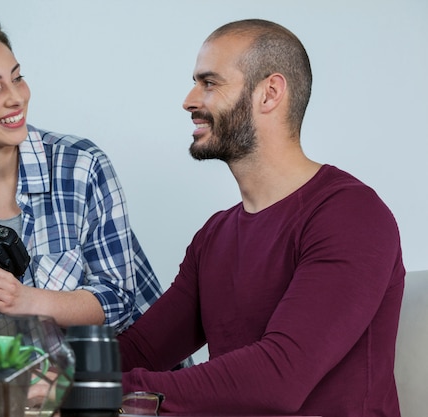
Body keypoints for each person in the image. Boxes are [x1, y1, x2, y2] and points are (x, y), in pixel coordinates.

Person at [118, 19, 405, 417]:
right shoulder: (214, 237)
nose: (189, 100)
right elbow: (141, 351)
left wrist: (112, 392)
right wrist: (45, 371)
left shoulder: (351, 214)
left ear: (269, 93)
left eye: (209, 83)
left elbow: (279, 379)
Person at [0, 1, 162, 333]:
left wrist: (25, 300)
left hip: (127, 374)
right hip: (25, 379)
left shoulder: (80, 166)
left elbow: (118, 300)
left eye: (17, 78)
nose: (17, 98)